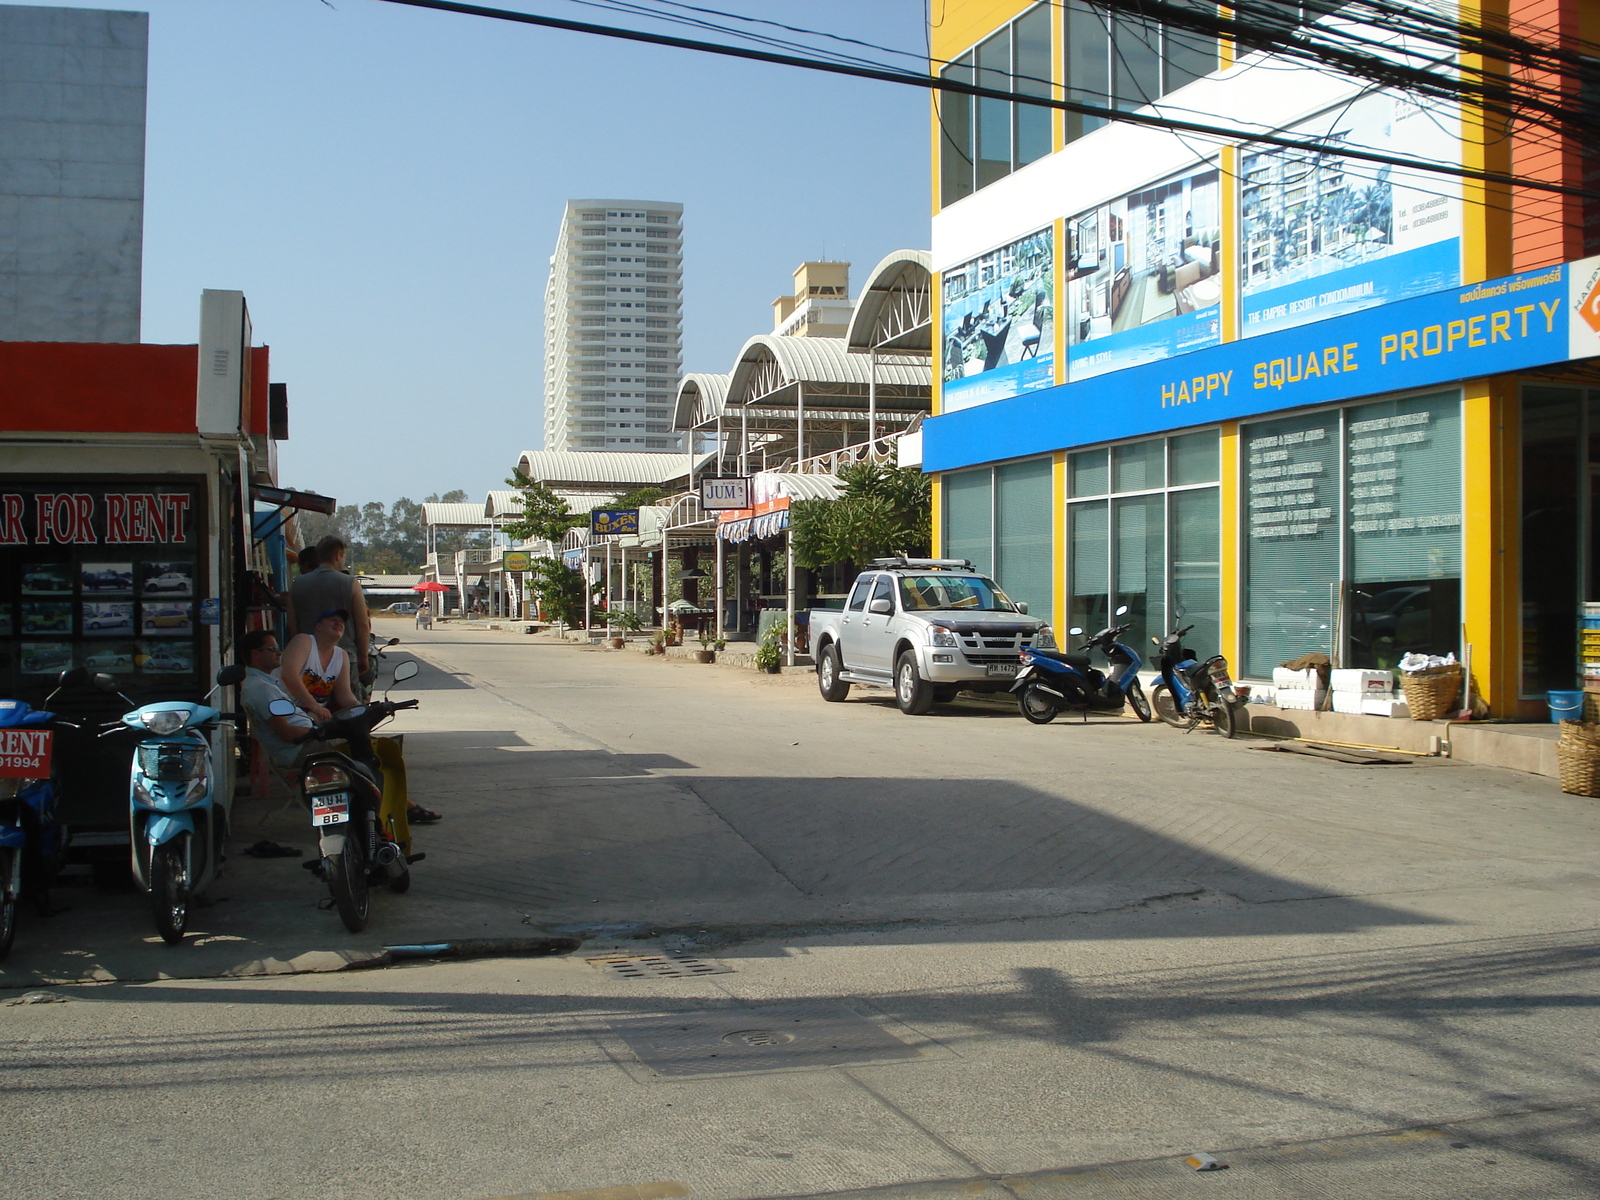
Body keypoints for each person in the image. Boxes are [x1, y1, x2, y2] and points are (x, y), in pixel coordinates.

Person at [288, 535, 372, 701]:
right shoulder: (350, 583)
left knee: (313, 709)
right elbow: (362, 623)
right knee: (348, 711)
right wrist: (363, 656)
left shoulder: (298, 583)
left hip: (308, 661)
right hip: (345, 657)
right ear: (337, 555)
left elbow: (292, 625)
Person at [280, 608, 359, 723]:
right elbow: (289, 675)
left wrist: (361, 708)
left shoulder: (342, 655)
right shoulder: (304, 641)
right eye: (333, 620)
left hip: (315, 713)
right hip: (284, 707)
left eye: (342, 622)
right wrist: (315, 706)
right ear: (319, 626)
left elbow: (344, 695)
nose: (338, 623)